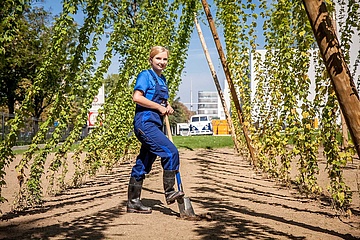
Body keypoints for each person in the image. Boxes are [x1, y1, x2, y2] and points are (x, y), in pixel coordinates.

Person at [126, 46, 184, 214]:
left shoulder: (162, 79)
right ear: (151, 60)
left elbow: (163, 101)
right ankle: (170, 191)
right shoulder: (146, 75)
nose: (162, 62)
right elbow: (137, 98)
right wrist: (159, 106)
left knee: (144, 162)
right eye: (158, 58)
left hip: (155, 124)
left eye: (165, 59)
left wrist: (168, 106)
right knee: (170, 151)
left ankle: (133, 202)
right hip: (145, 124)